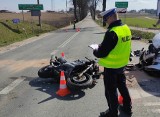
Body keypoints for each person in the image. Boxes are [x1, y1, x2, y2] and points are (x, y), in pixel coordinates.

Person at [93, 8, 132, 117]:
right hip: (122, 65)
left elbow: (102, 53)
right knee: (123, 87)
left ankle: (112, 113)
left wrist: (95, 50)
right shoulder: (126, 28)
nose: (105, 21)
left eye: (106, 19)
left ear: (111, 17)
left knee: (111, 91)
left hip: (111, 68)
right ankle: (128, 108)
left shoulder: (112, 32)